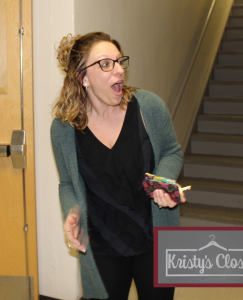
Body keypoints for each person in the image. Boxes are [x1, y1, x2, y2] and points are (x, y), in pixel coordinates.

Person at [51, 31, 185, 300]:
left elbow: (172, 152)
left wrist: (164, 180)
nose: (119, 70)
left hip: (155, 241)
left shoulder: (149, 107)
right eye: (105, 63)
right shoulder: (64, 129)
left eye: (119, 61)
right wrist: (71, 212)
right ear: (82, 78)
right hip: (102, 246)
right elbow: (67, 183)